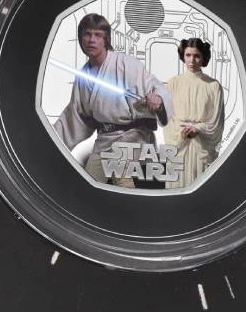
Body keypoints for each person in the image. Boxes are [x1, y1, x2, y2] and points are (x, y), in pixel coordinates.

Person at [53, 13, 172, 188]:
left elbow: (156, 87)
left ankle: (134, 205)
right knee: (88, 183)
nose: (91, 40)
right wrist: (50, 140)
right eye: (87, 34)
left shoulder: (126, 64)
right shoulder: (83, 77)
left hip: (134, 137)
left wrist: (158, 100)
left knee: (120, 175)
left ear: (105, 39)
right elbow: (75, 116)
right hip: (105, 140)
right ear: (81, 38)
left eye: (97, 35)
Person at [164, 38, 224, 189]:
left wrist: (198, 129)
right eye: (188, 55)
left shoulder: (213, 86)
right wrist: (181, 132)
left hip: (202, 148)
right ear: (183, 56)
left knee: (200, 187)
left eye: (197, 56)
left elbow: (217, 121)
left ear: (203, 58)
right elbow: (168, 118)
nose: (192, 60)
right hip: (179, 144)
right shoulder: (173, 83)